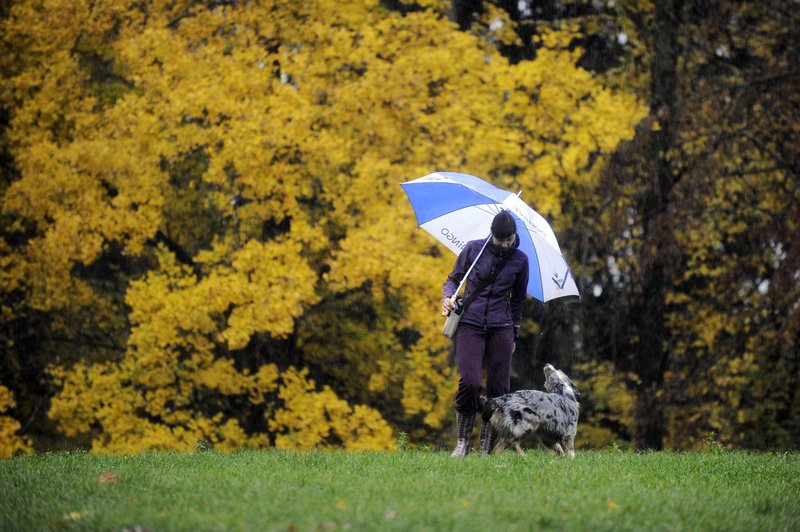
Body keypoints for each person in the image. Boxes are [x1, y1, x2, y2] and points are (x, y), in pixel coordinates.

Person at [442, 210, 529, 457]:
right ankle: (462, 442)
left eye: (508, 239)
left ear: (514, 236)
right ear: (492, 234)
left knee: (499, 389)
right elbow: (452, 278)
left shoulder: (520, 260)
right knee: (470, 382)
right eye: (499, 239)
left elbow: (519, 300)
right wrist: (447, 297)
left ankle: (487, 447)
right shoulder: (473, 249)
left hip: (501, 327)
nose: (503, 244)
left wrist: (514, 332)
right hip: (470, 322)